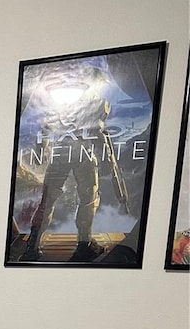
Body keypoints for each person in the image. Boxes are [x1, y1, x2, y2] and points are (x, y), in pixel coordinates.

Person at [19, 66, 126, 263]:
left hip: (62, 152)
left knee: (49, 200)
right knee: (88, 198)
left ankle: (33, 248)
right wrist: (106, 159)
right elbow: (99, 131)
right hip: (82, 153)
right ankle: (83, 246)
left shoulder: (62, 101)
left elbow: (46, 126)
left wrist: (42, 148)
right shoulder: (98, 102)